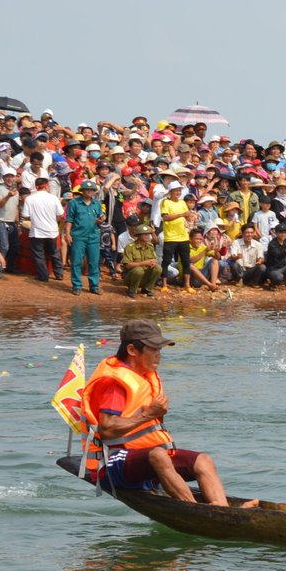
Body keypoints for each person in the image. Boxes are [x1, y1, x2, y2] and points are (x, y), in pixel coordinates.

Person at [81, 319, 256, 507]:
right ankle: (195, 511)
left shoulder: (145, 377)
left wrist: (154, 414)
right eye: (154, 350)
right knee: (158, 454)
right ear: (132, 350)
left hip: (146, 461)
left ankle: (221, 509)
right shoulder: (114, 384)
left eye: (160, 350)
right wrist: (148, 414)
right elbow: (107, 429)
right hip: (110, 464)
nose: (159, 356)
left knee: (202, 461)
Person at [23, 175, 64, 282]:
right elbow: (60, 214)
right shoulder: (54, 198)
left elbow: (26, 215)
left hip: (37, 231)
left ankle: (43, 275)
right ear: (47, 186)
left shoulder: (30, 199)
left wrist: (35, 217)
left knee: (39, 254)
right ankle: (59, 274)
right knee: (55, 253)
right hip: (52, 230)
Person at [67, 180, 104, 293]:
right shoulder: (74, 202)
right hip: (78, 236)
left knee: (94, 262)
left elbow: (101, 218)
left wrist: (100, 220)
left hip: (93, 236)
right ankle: (77, 286)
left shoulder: (97, 203)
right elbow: (69, 219)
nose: (89, 191)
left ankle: (94, 286)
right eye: (87, 189)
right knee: (76, 261)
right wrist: (68, 234)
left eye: (92, 190)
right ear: (82, 191)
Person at [157, 181, 194, 289]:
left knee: (186, 261)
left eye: (179, 190)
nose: (178, 192)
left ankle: (187, 284)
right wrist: (182, 214)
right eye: (176, 190)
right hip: (170, 236)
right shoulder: (165, 202)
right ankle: (164, 285)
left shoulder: (182, 203)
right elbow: (165, 217)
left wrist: (189, 216)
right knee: (166, 260)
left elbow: (187, 217)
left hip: (183, 236)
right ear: (170, 192)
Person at [121, 224, 163, 296]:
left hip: (145, 275)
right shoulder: (130, 247)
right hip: (131, 276)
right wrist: (144, 263)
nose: (147, 236)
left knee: (158, 268)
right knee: (138, 270)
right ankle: (132, 289)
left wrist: (153, 263)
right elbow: (127, 265)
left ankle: (147, 289)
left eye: (148, 234)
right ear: (139, 235)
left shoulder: (150, 246)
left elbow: (154, 259)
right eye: (144, 234)